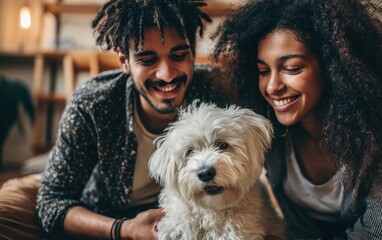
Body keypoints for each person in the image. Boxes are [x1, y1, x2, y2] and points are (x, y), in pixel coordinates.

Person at [0, 0, 231, 239]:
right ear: (124, 61)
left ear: (193, 52)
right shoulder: (93, 104)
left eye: (179, 55)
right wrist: (122, 230)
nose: (167, 74)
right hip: (107, 215)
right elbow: (51, 203)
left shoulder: (216, 88)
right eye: (147, 60)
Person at [211, 0, 382, 239]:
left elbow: (378, 232)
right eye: (263, 71)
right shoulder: (260, 118)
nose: (272, 86)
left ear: (332, 66)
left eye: (292, 68)